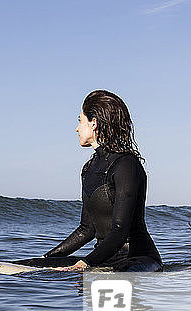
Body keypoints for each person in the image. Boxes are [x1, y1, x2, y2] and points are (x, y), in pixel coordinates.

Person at [30, 90, 163, 272]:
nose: (77, 128)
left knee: (108, 275)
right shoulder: (89, 169)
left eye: (80, 120)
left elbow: (119, 229)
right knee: (30, 267)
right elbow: (86, 229)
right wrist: (47, 259)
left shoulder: (126, 166)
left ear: (94, 123)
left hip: (139, 260)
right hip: (104, 260)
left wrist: (86, 263)